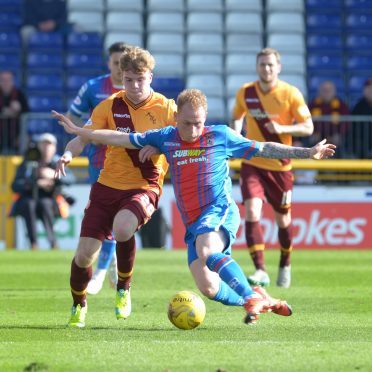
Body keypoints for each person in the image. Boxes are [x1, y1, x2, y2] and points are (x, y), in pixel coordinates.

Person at [53, 88, 336, 325]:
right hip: (194, 224)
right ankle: (261, 298)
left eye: (198, 122)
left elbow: (263, 148)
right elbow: (121, 138)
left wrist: (308, 152)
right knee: (209, 288)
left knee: (206, 250)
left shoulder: (220, 135)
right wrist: (83, 133)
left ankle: (249, 298)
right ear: (177, 118)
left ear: (206, 118)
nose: (193, 129)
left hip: (218, 210)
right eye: (187, 123)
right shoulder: (166, 137)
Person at [54, 46, 177, 328]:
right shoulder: (109, 105)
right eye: (129, 79)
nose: (134, 86)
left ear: (151, 77)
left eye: (140, 79)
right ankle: (78, 304)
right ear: (122, 76)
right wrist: (69, 153)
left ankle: (123, 288)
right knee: (85, 255)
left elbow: (185, 137)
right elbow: (83, 137)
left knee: (123, 228)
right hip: (106, 186)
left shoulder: (166, 108)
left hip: (144, 186)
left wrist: (159, 146)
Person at [230, 48, 314, 289]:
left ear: (278, 67)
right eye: (262, 65)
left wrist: (283, 130)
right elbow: (236, 116)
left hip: (280, 167)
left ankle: (285, 262)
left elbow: (307, 127)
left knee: (283, 220)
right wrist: (237, 135)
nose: (266, 69)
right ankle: (260, 269)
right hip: (253, 163)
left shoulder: (290, 93)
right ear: (257, 67)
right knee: (252, 212)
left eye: (270, 65)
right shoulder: (246, 92)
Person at [67, 42, 130, 295]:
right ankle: (105, 269)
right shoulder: (94, 88)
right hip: (99, 163)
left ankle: (104, 270)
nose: (119, 67)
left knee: (117, 222)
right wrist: (84, 136)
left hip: (129, 165)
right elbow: (73, 117)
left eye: (123, 62)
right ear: (109, 63)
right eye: (116, 62)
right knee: (106, 221)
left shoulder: (138, 89)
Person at [9, 133, 75, 249]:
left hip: (51, 200)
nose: (46, 148)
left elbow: (70, 180)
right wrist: (35, 183)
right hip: (28, 198)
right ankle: (33, 244)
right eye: (43, 144)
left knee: (45, 204)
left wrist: (54, 176)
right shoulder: (28, 161)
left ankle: (53, 242)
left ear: (54, 147)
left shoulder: (58, 162)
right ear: (38, 146)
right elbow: (15, 185)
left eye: (49, 145)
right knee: (29, 204)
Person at [308, 80, 349, 157]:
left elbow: (346, 122)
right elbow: (306, 120)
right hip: (316, 138)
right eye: (324, 90)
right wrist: (312, 133)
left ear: (334, 91)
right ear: (319, 92)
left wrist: (339, 134)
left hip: (336, 138)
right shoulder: (312, 104)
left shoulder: (341, 105)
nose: (327, 92)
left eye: (329, 90)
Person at [0, 70, 29, 154]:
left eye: (8, 80)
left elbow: (27, 112)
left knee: (25, 139)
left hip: (16, 134)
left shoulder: (19, 94)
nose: (6, 83)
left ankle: (23, 166)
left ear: (12, 81)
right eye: (3, 80)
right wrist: (4, 112)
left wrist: (19, 109)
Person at [351, 78, 372, 159]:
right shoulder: (358, 106)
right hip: (363, 143)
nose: (371, 90)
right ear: (364, 90)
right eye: (368, 88)